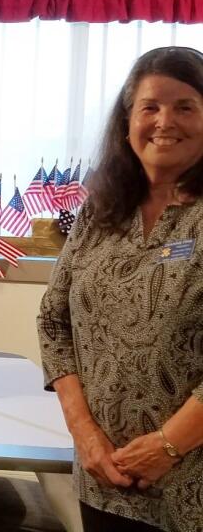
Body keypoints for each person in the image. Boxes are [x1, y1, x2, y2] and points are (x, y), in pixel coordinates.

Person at [38, 46, 203, 532]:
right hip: (104, 476)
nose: (164, 121)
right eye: (150, 106)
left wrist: (168, 445)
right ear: (127, 120)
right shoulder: (101, 210)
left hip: (192, 484)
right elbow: (53, 320)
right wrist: (84, 432)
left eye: (186, 107)